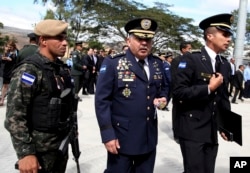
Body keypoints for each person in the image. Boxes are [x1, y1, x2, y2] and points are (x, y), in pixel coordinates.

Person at [95, 17, 169, 173]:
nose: (144, 43)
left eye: (148, 39)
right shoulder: (113, 63)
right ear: (128, 41)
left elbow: (165, 87)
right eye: (139, 38)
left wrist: (163, 99)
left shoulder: (157, 63)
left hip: (148, 137)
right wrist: (108, 134)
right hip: (122, 138)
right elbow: (102, 101)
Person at [4, 19, 75, 173]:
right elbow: (14, 117)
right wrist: (26, 153)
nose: (65, 43)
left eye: (65, 38)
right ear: (43, 40)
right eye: (59, 38)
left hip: (59, 148)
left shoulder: (60, 69)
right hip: (38, 153)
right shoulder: (29, 70)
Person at [172, 13, 233, 173]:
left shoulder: (224, 64)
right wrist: (208, 88)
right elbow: (178, 92)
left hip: (211, 130)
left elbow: (223, 97)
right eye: (225, 35)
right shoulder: (191, 60)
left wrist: (226, 125)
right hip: (192, 129)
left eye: (229, 35)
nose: (229, 39)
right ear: (210, 36)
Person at [171, 41, 192, 142]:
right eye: (188, 49)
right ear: (183, 49)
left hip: (188, 92)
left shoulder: (191, 60)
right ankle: (176, 134)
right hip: (178, 92)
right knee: (177, 113)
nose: (190, 51)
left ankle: (183, 132)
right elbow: (175, 77)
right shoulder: (176, 60)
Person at [0, 40, 18, 106]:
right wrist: (4, 56)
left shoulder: (15, 53)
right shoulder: (6, 53)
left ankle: (11, 100)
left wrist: (9, 58)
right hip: (6, 72)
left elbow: (13, 59)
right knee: (5, 85)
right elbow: (2, 60)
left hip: (13, 71)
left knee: (11, 86)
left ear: (13, 47)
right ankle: (2, 100)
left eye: (10, 47)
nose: (9, 48)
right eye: (7, 46)